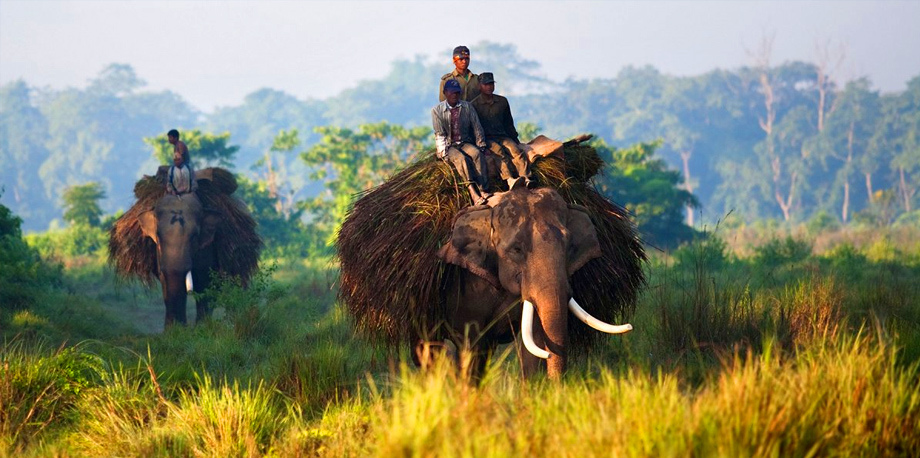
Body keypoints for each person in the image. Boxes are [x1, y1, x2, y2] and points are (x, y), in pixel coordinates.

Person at [471, 72, 535, 189]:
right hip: (487, 139)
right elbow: (473, 127)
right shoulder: (474, 105)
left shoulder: (502, 102)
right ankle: (509, 179)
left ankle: (526, 177)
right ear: (479, 86)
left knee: (516, 151)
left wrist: (515, 139)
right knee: (499, 152)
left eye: (491, 84)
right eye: (486, 84)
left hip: (503, 136)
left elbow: (508, 122)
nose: (489, 87)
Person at [432, 79, 491, 205]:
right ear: (445, 93)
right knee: (461, 159)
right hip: (450, 145)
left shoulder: (467, 106)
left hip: (464, 142)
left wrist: (481, 145)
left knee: (476, 154)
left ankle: (483, 189)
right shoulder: (437, 110)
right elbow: (439, 134)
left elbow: (477, 127)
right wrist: (443, 154)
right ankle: (473, 192)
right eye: (451, 92)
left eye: (457, 92)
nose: (454, 95)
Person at [166, 129, 196, 195]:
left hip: (183, 165)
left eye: (170, 137)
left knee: (162, 169)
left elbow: (181, 159)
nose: (169, 139)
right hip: (179, 164)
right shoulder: (176, 146)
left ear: (175, 138)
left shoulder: (180, 145)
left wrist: (176, 165)